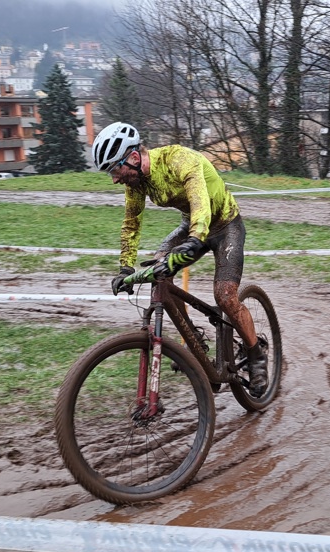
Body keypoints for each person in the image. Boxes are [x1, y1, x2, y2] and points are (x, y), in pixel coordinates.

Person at [92, 121, 268, 396]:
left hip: (224, 225)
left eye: (115, 169)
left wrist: (195, 239)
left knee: (224, 296)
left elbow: (200, 200)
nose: (115, 178)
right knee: (159, 272)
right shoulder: (136, 184)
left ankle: (256, 355)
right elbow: (131, 224)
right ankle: (194, 340)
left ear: (134, 158)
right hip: (192, 227)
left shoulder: (178, 159)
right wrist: (125, 266)